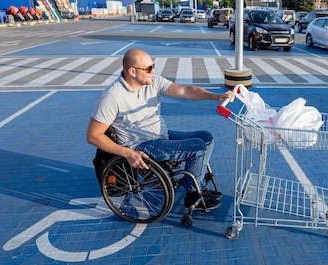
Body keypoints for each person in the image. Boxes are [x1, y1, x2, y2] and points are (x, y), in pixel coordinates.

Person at [86, 48, 235, 210]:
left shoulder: (153, 82)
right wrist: (127, 153)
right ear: (132, 71)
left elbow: (185, 91)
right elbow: (93, 135)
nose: (153, 71)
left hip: (161, 136)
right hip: (141, 144)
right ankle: (193, 194)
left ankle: (194, 182)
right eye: (149, 68)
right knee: (198, 148)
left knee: (206, 138)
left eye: (153, 66)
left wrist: (216, 96)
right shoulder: (111, 97)